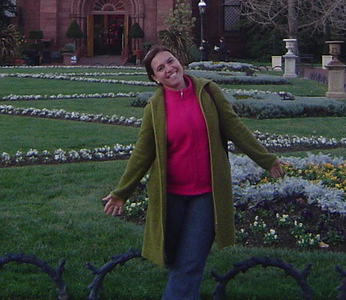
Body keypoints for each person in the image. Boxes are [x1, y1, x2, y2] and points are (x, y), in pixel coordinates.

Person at [102, 45, 284, 300]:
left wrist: (267, 159)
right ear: (154, 77)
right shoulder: (155, 108)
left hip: (206, 196)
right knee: (177, 259)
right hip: (171, 197)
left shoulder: (207, 92)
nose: (169, 69)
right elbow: (143, 154)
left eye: (170, 61)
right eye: (160, 68)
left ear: (180, 61)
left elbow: (235, 128)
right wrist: (122, 192)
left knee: (190, 262)